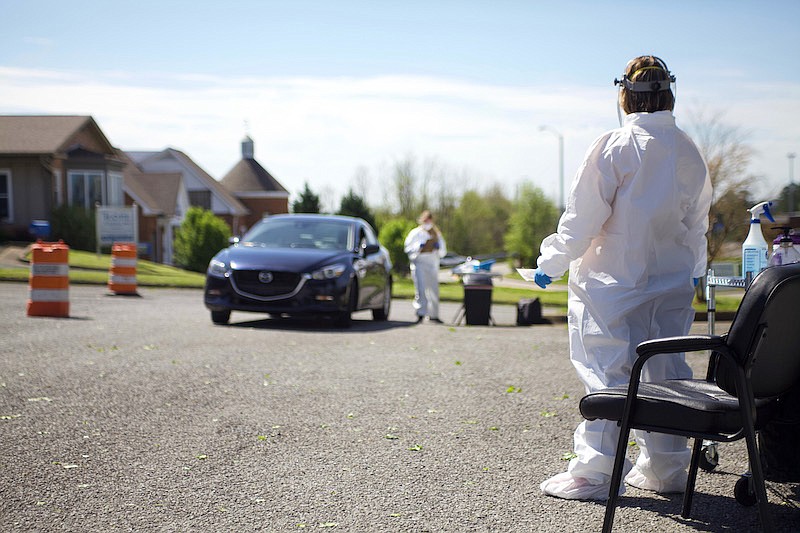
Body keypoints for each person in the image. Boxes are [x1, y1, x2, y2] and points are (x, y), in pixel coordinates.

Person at [534, 55, 713, 500]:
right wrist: (694, 271)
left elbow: (581, 222)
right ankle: (666, 470)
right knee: (667, 375)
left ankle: (595, 473)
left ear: (625, 95)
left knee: (608, 376)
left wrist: (549, 263)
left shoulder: (614, 147)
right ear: (670, 92)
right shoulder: (688, 150)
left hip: (611, 287)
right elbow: (697, 224)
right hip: (670, 285)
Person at [404, 210, 447, 323]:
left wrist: (437, 248)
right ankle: (421, 313)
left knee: (433, 289)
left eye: (429, 220)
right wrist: (419, 246)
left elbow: (443, 251)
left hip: (432, 264)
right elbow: (408, 248)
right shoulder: (415, 233)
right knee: (421, 289)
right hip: (420, 264)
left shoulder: (436, 234)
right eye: (425, 220)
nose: (427, 222)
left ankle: (434, 315)